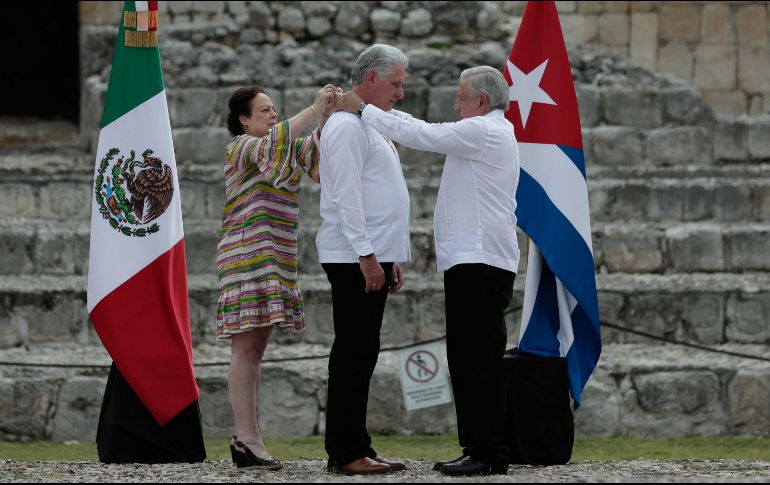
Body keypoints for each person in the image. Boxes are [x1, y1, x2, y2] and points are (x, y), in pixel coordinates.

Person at [337, 66, 520, 476]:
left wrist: (363, 109)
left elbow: (422, 135)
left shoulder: (484, 131)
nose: (456, 105)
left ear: (482, 102)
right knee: (467, 357)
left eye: (461, 98)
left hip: (481, 260)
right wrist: (376, 111)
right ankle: (477, 445)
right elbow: (419, 125)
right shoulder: (483, 131)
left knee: (478, 359)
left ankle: (490, 452)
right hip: (472, 260)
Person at [217, 84, 337, 469]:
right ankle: (246, 437)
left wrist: (331, 117)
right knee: (246, 350)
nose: (272, 116)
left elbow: (318, 159)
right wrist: (315, 107)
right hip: (245, 258)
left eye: (273, 110)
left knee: (255, 351)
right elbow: (280, 140)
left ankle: (247, 437)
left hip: (276, 258)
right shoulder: (240, 148)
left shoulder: (283, 146)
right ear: (244, 119)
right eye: (264, 111)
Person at [316, 44, 411, 475]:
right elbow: (347, 197)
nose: (400, 93)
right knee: (355, 351)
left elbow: (379, 194)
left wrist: (388, 256)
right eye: (396, 84)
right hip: (353, 256)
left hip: (370, 254)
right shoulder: (347, 127)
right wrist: (367, 255)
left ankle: (357, 444)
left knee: (363, 349)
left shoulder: (370, 125)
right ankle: (346, 450)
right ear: (371, 78)